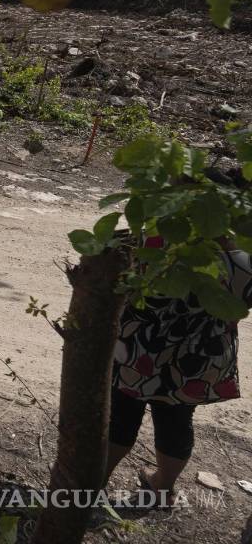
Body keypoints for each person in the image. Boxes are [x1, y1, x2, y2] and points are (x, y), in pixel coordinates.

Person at [104, 169, 249, 497]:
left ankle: (93, 482)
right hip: (199, 361)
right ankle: (161, 486)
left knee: (120, 417)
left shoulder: (145, 242)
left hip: (138, 353)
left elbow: (103, 281)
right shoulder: (242, 260)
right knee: (176, 421)